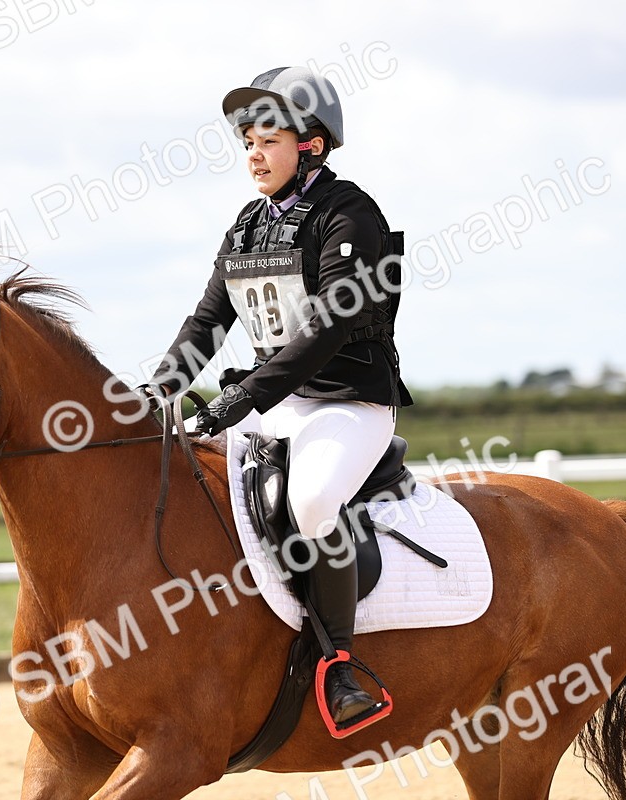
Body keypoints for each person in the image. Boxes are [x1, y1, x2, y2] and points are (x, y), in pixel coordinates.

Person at [147, 66, 412, 731]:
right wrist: (161, 387)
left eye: (269, 141)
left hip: (348, 403)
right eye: (249, 144)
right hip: (275, 402)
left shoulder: (350, 214)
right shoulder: (247, 225)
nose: (254, 156)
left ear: (311, 145)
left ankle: (340, 666)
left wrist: (240, 400)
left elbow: (328, 326)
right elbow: (208, 322)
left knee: (313, 500)